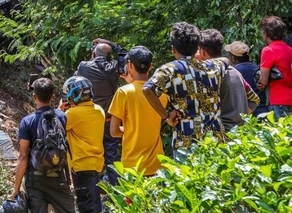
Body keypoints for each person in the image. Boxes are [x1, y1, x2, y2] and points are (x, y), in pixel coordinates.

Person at [143, 22, 227, 160]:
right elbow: (225, 60)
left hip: (186, 140)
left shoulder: (170, 69)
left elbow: (147, 89)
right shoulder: (214, 66)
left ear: (173, 49)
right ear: (197, 48)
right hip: (215, 139)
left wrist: (166, 116)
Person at [10, 78, 75, 213]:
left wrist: (16, 188)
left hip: (35, 179)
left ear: (34, 97)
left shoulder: (27, 122)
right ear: (53, 96)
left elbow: (23, 157)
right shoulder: (62, 117)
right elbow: (57, 117)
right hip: (58, 177)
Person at [108, 46, 168, 176]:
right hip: (157, 164)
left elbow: (114, 131)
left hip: (133, 166)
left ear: (129, 65)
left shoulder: (123, 92)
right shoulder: (161, 93)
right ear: (150, 66)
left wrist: (131, 130)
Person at [76, 40, 124, 184]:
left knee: (91, 156)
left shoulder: (83, 67)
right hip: (110, 120)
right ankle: (117, 191)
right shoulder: (113, 67)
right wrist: (111, 44)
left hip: (91, 121)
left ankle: (93, 192)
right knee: (112, 157)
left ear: (93, 54)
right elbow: (126, 55)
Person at [198, 29, 259, 131]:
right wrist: (239, 117)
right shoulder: (235, 72)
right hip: (240, 132)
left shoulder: (209, 75)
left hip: (221, 133)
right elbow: (254, 99)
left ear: (202, 52)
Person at [60, 77, 104, 213]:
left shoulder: (72, 114)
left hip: (82, 165)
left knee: (86, 206)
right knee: (94, 203)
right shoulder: (99, 110)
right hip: (96, 164)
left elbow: (57, 126)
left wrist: (60, 109)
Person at [257, 16, 292, 118]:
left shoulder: (268, 51)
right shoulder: (289, 50)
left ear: (266, 33)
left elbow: (263, 81)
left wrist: (260, 83)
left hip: (277, 99)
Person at [227, 41, 269, 116]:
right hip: (263, 111)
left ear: (233, 58)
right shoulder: (257, 69)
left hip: (246, 113)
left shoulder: (233, 72)